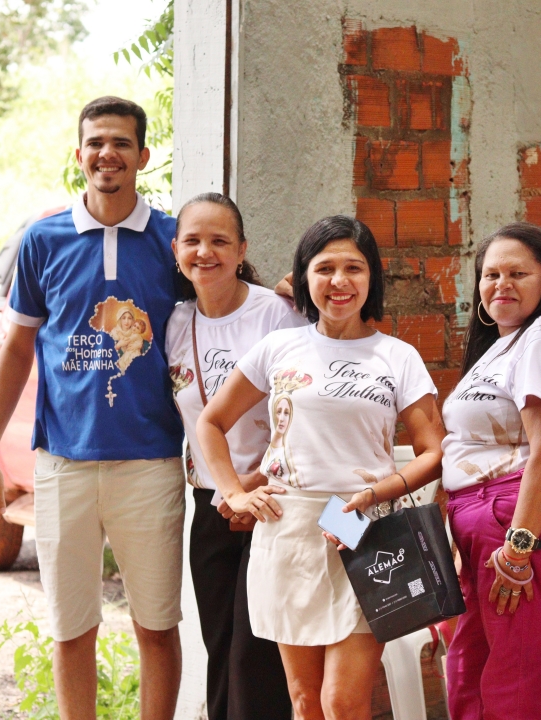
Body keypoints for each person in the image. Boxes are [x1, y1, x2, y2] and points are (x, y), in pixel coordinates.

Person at [0, 96, 185, 720]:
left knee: (156, 625)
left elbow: (226, 302)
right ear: (79, 154)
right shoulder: (44, 240)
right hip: (63, 462)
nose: (107, 153)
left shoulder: (173, 239)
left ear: (143, 155)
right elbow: (17, 347)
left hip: (150, 461)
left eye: (121, 142)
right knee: (71, 629)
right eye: (96, 142)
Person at [196, 215, 446, 720]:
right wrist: (235, 493)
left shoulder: (396, 356)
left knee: (342, 701)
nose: (339, 281)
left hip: (364, 531)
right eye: (324, 268)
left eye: (353, 268)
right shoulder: (279, 347)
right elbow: (210, 423)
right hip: (288, 532)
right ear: (304, 276)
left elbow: (433, 451)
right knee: (306, 701)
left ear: (371, 277)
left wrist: (379, 493)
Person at [440, 222, 541, 720]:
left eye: (517, 274)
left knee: (514, 678)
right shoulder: (505, 344)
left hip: (519, 519)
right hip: (484, 520)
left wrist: (519, 547)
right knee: (470, 668)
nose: (501, 284)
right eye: (491, 274)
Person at [165, 193, 306, 720]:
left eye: (220, 241)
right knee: (221, 646)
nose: (205, 252)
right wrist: (227, 491)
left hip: (271, 501)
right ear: (176, 250)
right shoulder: (175, 321)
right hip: (212, 505)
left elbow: (305, 416)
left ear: (242, 249)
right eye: (193, 241)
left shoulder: (278, 314)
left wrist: (249, 485)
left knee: (256, 653)